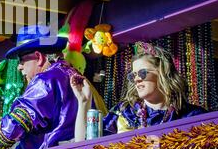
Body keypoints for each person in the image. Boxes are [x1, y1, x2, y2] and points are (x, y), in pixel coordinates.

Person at [0, 24, 107, 149]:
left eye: (21, 60)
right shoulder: (71, 73)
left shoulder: (46, 80)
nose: (19, 67)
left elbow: (18, 120)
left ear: (39, 57)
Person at [71, 41, 207, 141]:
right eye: (133, 75)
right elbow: (84, 147)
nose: (136, 80)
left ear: (162, 73)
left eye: (142, 73)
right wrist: (83, 102)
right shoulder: (124, 113)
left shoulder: (192, 116)